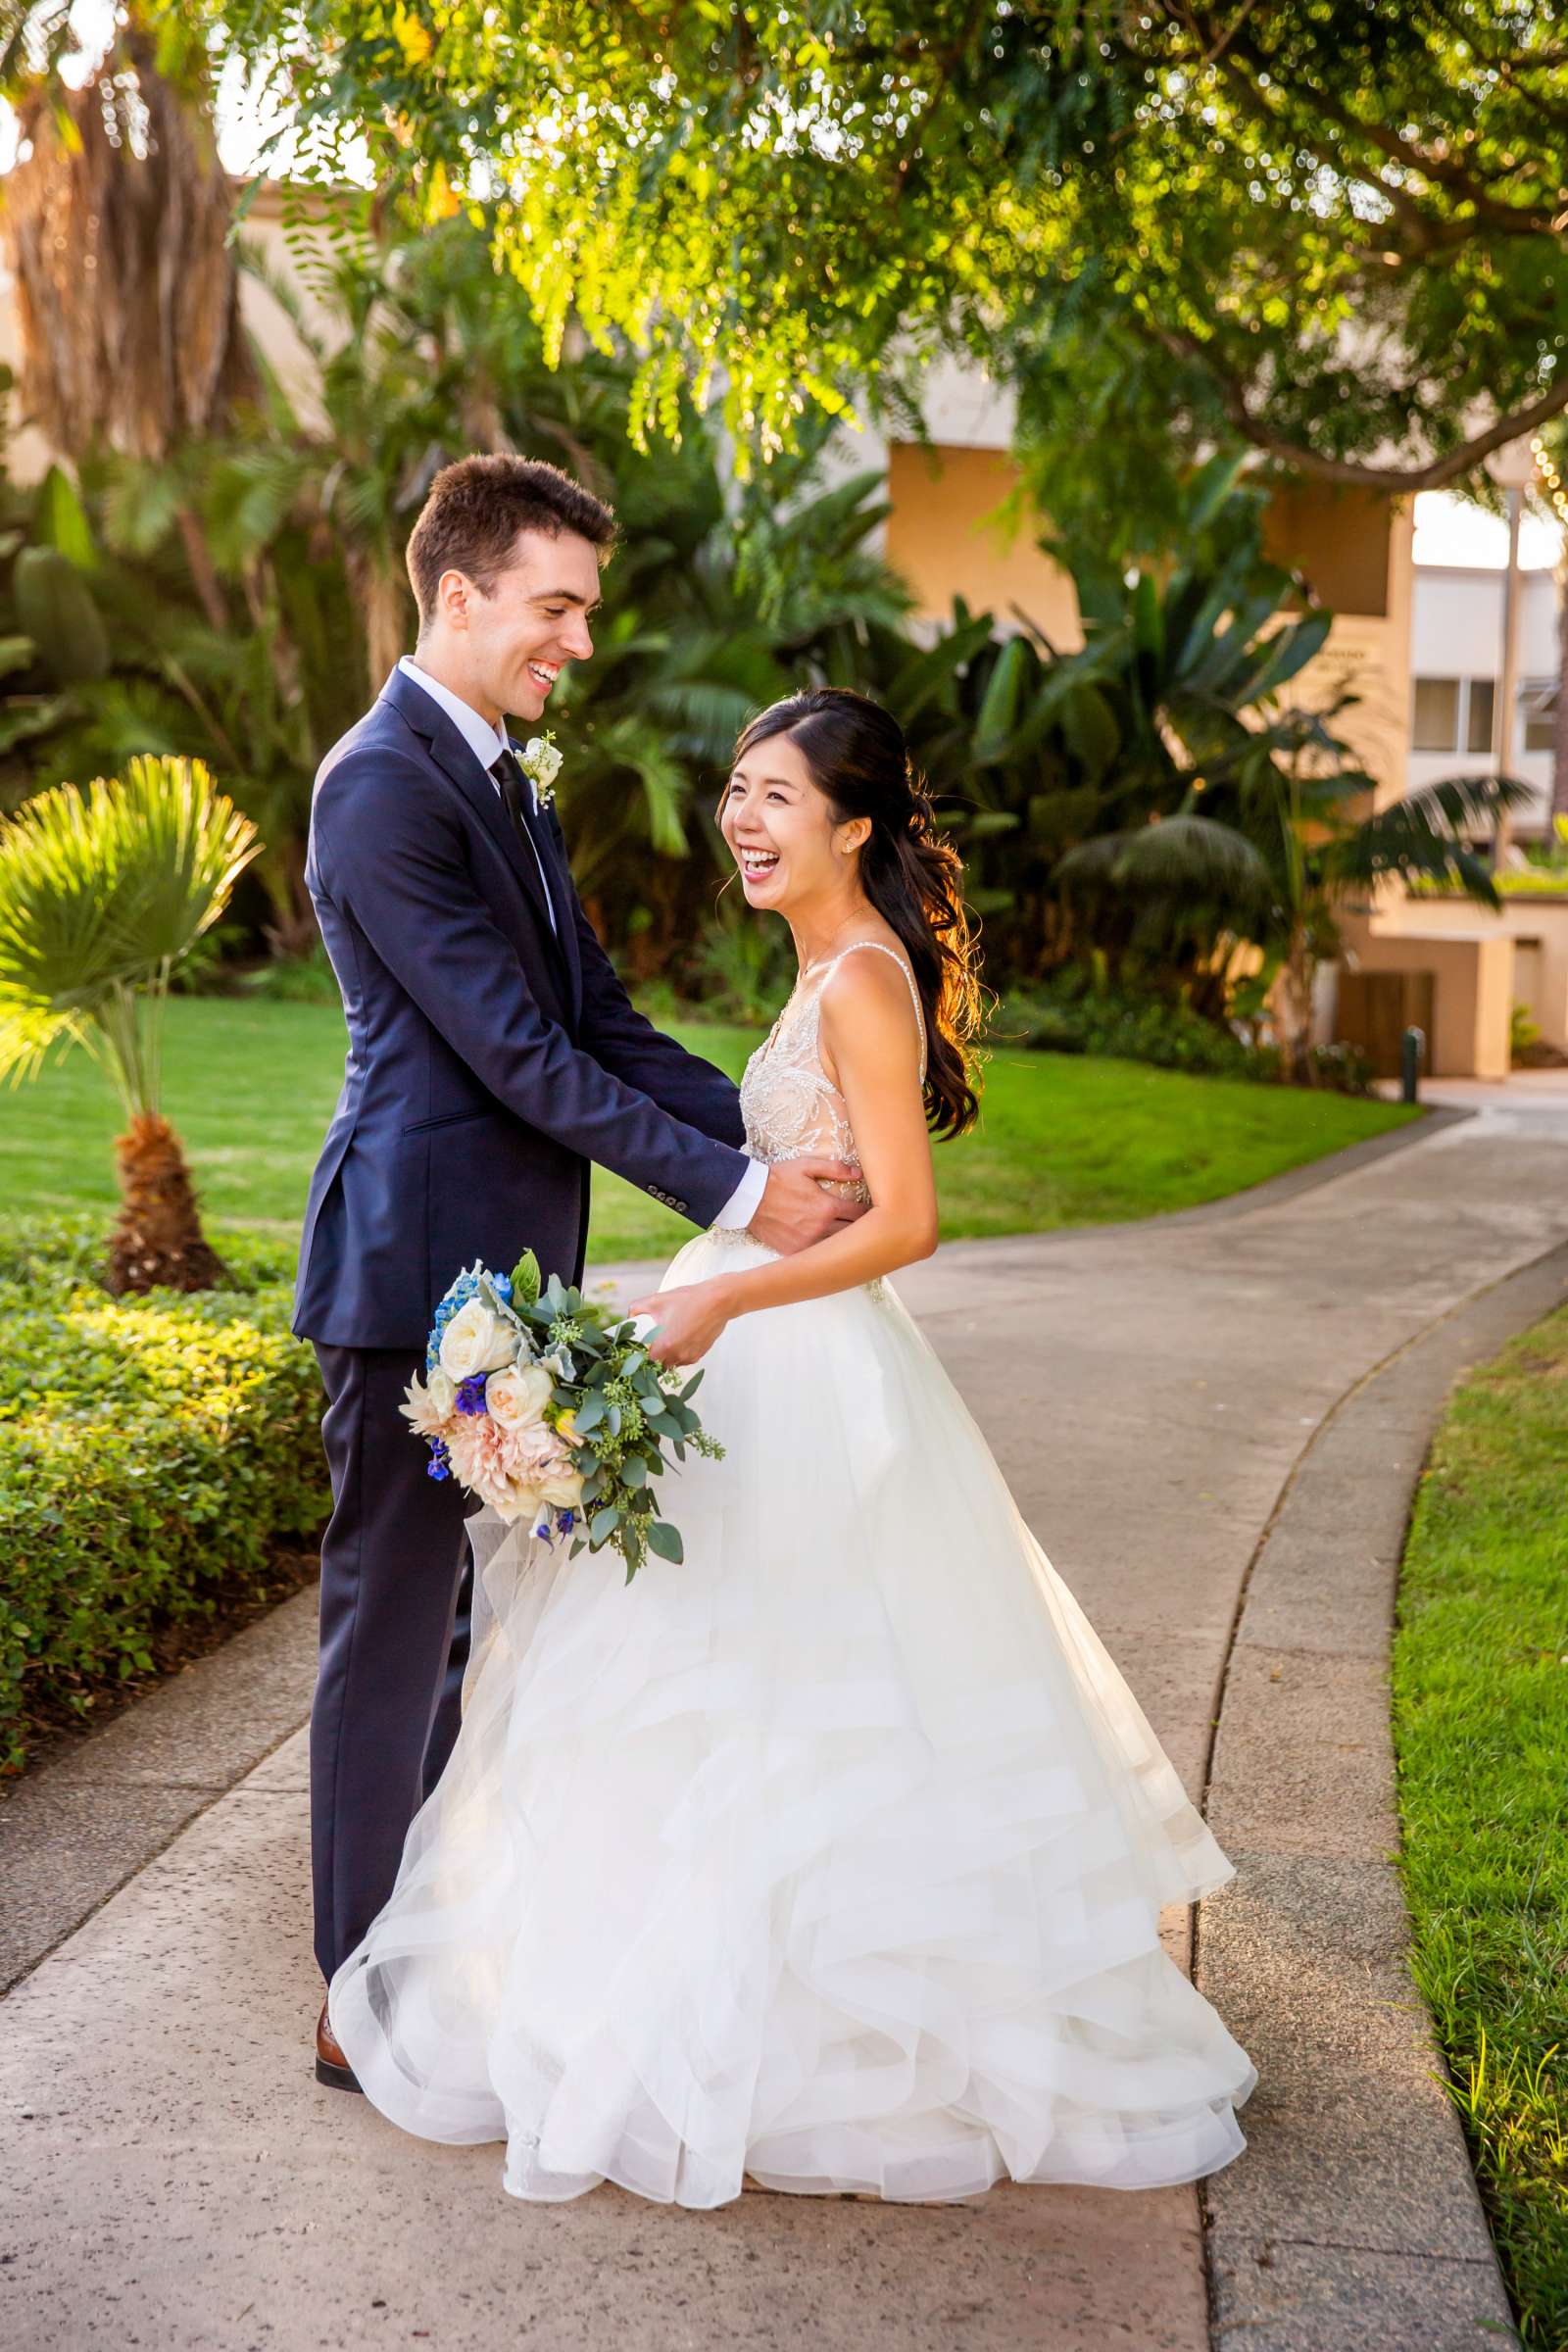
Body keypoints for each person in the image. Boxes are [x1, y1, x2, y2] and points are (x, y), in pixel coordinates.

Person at [327, 685, 1256, 2203]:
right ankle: (681, 2001)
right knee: (693, 1691)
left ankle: (818, 2039)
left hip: (803, 1366)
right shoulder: (822, 966)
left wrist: (730, 1295)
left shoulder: (863, 983)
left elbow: (909, 1223)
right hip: (749, 1348)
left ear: (856, 825)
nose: (742, 821)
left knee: (801, 1693)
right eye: (738, 791)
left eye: (775, 796)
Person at [296, 460, 864, 2089]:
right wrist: (750, 1191)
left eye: (587, 611)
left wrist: (779, 1129)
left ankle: (412, 1955)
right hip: (412, 1276)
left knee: (472, 1633)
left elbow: (598, 1020)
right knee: (393, 1628)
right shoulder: (383, 785)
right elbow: (514, 1054)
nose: (580, 640)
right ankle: (353, 1997)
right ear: (457, 594)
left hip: (507, 1278)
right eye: (556, 606)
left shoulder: (503, 778)